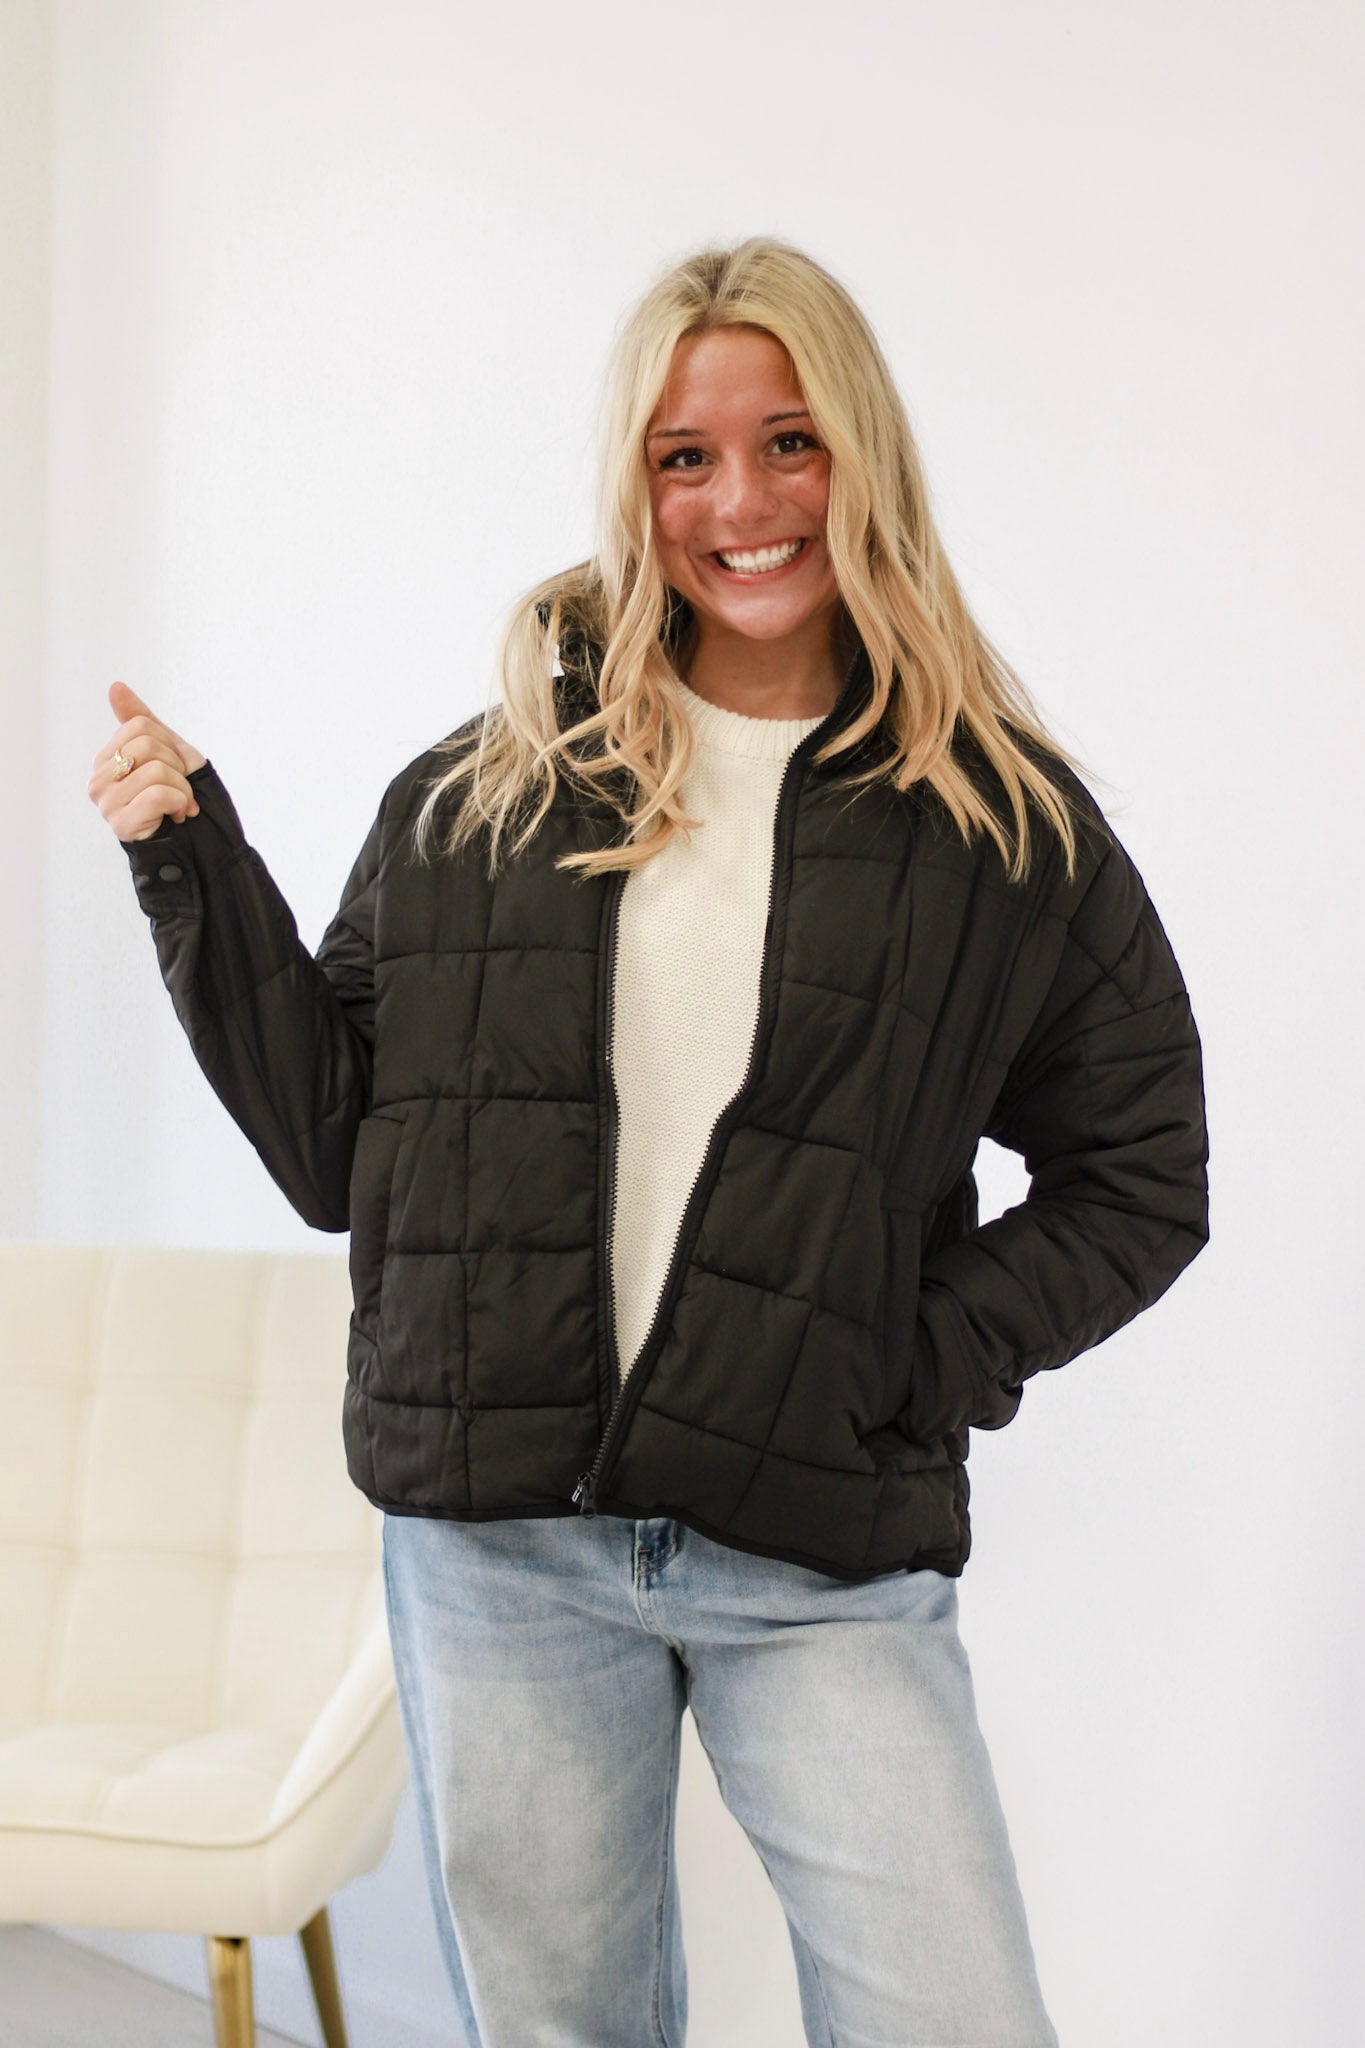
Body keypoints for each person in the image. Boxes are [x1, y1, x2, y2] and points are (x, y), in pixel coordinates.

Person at [89, 236, 1209, 2048]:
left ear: (862, 456)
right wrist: (190, 870)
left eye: (789, 443)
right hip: (501, 1553)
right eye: (684, 458)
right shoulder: (489, 786)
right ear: (633, 484)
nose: (740, 504)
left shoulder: (996, 822)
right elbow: (333, 1150)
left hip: (819, 1550)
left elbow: (1141, 1178)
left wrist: (905, 1359)